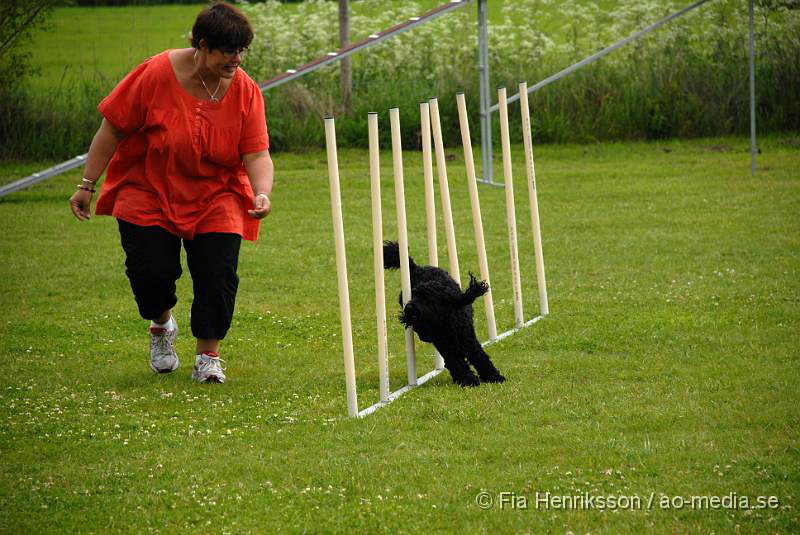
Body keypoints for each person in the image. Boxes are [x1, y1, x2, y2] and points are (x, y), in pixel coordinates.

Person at [68, 2, 273, 384]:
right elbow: (111, 129)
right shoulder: (155, 73)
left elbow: (256, 152)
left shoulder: (245, 90)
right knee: (149, 272)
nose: (237, 59)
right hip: (148, 187)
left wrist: (261, 192)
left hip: (218, 193)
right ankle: (161, 326)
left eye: (242, 50)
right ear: (202, 45)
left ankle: (207, 356)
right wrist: (87, 184)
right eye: (228, 51)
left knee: (218, 273)